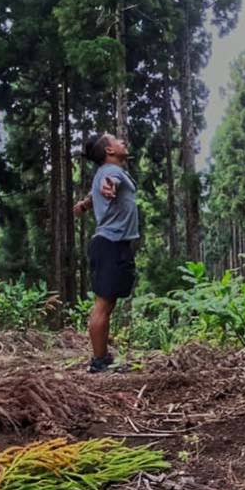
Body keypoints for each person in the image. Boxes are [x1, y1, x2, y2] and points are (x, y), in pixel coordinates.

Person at [73, 131, 138, 373]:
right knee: (103, 304)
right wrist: (108, 187)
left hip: (113, 244)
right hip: (109, 244)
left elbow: (98, 191)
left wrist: (85, 204)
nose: (123, 140)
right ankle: (98, 362)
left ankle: (102, 358)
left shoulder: (107, 172)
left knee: (107, 304)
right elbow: (109, 184)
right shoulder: (111, 173)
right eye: (116, 139)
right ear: (109, 150)